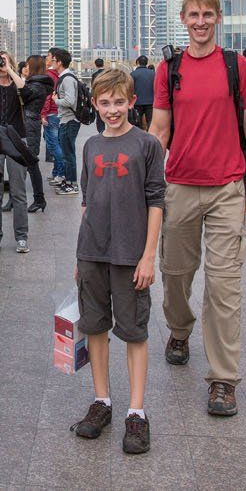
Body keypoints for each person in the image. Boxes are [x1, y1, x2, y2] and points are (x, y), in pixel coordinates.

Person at [149, 0, 246, 417]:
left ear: (218, 18)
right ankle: (179, 330)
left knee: (224, 286)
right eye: (193, 15)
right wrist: (145, 187)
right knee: (175, 274)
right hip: (178, 185)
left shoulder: (237, 67)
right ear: (183, 19)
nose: (200, 21)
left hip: (227, 189)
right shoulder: (169, 68)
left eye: (208, 15)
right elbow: (160, 129)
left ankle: (223, 379)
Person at [70, 69, 165, 455]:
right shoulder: (90, 146)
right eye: (105, 103)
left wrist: (148, 256)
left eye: (119, 102)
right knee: (95, 327)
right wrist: (80, 255)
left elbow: (156, 201)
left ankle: (137, 412)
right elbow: (86, 202)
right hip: (93, 252)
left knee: (134, 331)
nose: (113, 110)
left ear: (131, 102)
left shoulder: (147, 144)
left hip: (130, 255)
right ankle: (102, 401)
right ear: (95, 104)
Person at [0, 51, 36, 252]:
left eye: (4, 60)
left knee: (18, 192)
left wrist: (9, 69)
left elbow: (27, 94)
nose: (1, 64)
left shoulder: (17, 86)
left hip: (17, 140)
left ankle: (21, 237)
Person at [22, 56, 55, 212]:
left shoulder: (35, 86)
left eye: (27, 65)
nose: (25, 67)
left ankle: (39, 199)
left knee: (31, 164)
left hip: (29, 125)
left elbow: (23, 95)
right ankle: (20, 197)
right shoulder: (37, 84)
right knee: (23, 163)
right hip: (30, 124)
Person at [48, 47, 83, 196]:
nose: (51, 62)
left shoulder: (67, 79)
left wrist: (56, 100)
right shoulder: (65, 77)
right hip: (65, 119)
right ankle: (68, 181)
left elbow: (70, 100)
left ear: (59, 61)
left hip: (70, 120)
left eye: (53, 59)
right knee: (67, 152)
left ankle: (72, 184)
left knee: (68, 154)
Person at [130, 56, 156, 130]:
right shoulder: (153, 74)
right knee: (150, 122)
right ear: (146, 63)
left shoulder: (133, 74)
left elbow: (129, 88)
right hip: (151, 102)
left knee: (137, 122)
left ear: (137, 62)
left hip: (137, 103)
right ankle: (150, 138)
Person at [90, 57, 107, 132]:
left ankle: (101, 132)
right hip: (109, 96)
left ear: (96, 65)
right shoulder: (108, 74)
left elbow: (93, 87)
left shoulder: (95, 75)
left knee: (100, 117)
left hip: (99, 97)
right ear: (103, 64)